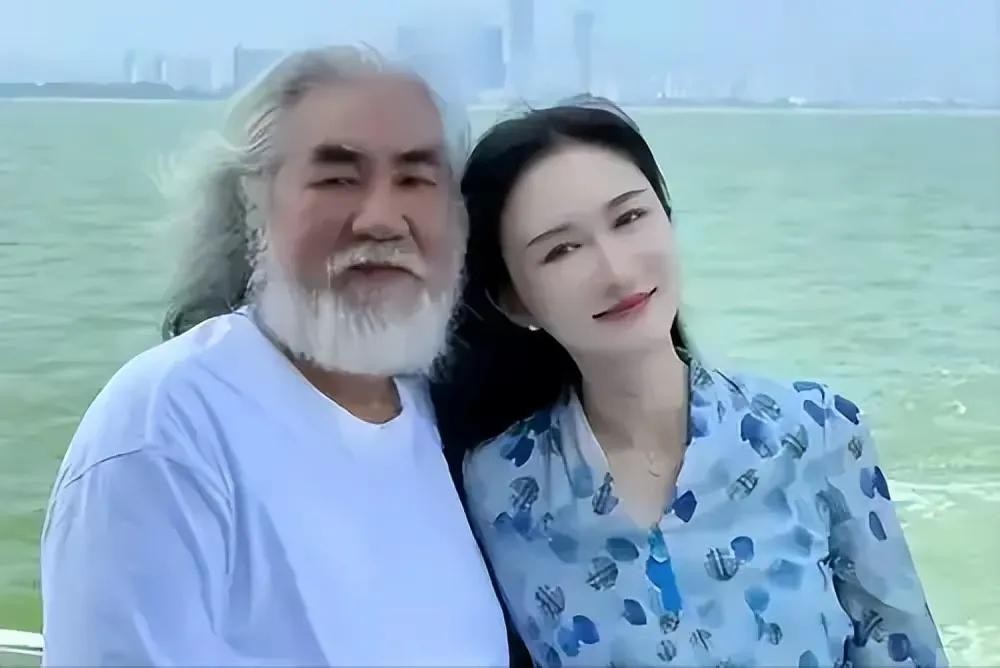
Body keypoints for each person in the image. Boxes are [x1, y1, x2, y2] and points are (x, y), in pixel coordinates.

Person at [430, 99, 948, 668]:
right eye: (562, 250)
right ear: (513, 300)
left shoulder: (816, 431)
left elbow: (906, 651)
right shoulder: (499, 484)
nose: (617, 270)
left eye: (629, 218)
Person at [39, 46, 512, 666]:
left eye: (416, 179)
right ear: (253, 204)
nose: (381, 219)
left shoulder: (444, 420)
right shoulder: (168, 428)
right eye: (338, 178)